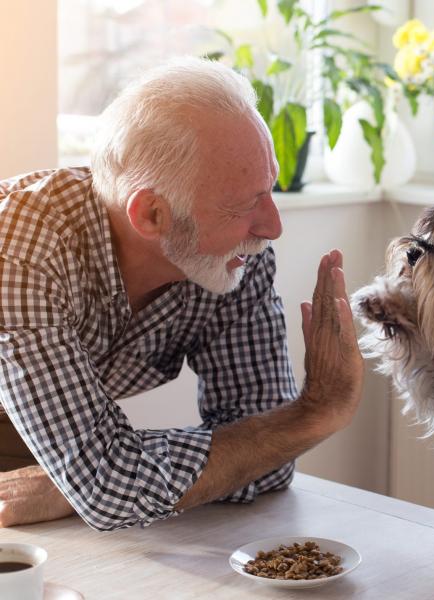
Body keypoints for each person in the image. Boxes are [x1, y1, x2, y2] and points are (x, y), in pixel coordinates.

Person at [0, 57, 364, 530]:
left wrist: (92, 480)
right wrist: (318, 411)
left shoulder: (234, 257)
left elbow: (269, 458)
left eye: (269, 189)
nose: (273, 227)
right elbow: (111, 488)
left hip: (45, 445)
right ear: (151, 215)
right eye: (245, 203)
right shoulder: (18, 249)